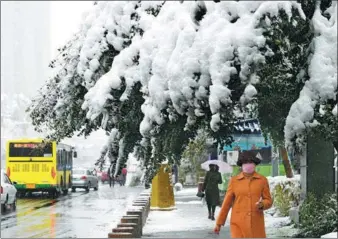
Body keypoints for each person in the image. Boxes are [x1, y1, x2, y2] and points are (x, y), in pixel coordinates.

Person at [214, 151, 273, 238]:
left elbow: (268, 200)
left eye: (250, 162)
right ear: (241, 165)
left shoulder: (262, 180)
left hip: (256, 223)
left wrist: (262, 204)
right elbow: (226, 204)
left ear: (255, 164)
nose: (248, 165)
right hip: (238, 224)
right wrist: (219, 223)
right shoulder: (234, 181)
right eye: (245, 162)